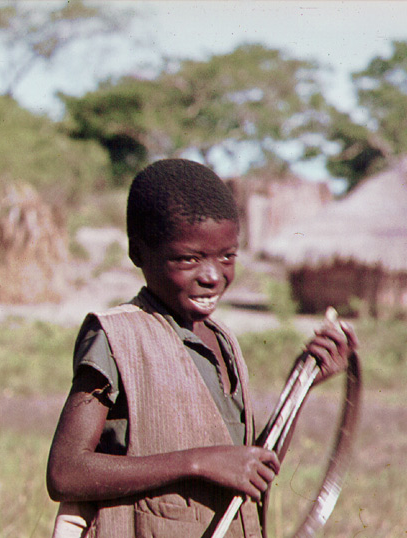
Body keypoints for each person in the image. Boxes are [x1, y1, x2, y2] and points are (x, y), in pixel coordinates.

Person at [46, 158, 357, 538]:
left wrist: (302, 380)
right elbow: (65, 472)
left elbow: (251, 466)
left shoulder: (222, 340)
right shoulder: (116, 337)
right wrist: (198, 463)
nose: (212, 276)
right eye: (188, 259)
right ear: (138, 252)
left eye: (227, 256)